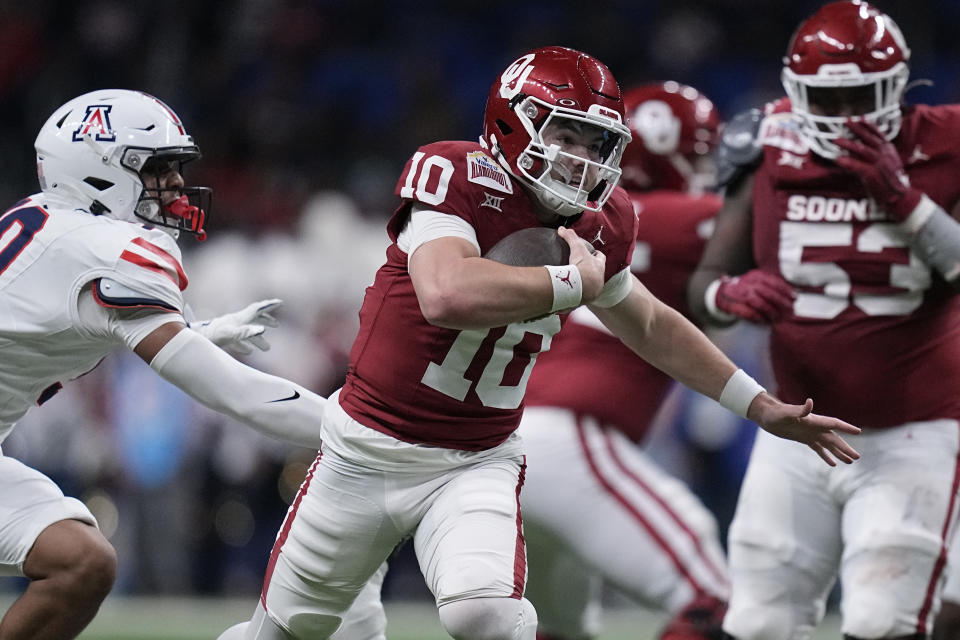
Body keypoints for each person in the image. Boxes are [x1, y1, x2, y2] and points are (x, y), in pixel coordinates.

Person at [219, 45, 858, 640]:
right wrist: (568, 280)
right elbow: (445, 292)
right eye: (565, 134)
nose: (581, 157)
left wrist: (758, 405)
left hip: (476, 459)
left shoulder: (605, 222)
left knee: (487, 611)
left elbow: (653, 324)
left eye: (596, 141)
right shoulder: (456, 173)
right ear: (511, 124)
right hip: (362, 449)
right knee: (280, 633)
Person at [0, 89, 335, 640]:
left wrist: (196, 332)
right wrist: (363, 432)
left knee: (82, 562)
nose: (176, 184)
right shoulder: (104, 249)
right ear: (100, 173)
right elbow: (233, 393)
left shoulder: (50, 225)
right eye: (157, 168)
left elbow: (72, 320)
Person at [685, 2, 960, 638]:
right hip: (796, 430)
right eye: (826, 100)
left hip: (912, 431)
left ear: (895, 86)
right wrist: (730, 296)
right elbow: (703, 286)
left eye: (861, 96)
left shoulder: (943, 143)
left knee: (881, 620)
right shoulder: (767, 144)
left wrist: (901, 197)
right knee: (759, 622)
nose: (843, 117)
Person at [516, 82, 731, 640]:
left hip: (514, 444)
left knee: (555, 629)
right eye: (703, 155)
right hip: (569, 438)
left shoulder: (584, 218)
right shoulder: (661, 216)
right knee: (715, 600)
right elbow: (780, 228)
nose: (710, 170)